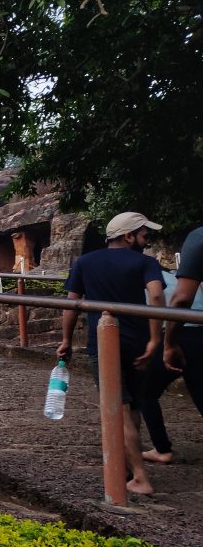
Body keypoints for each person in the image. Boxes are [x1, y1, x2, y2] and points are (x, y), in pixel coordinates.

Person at [56, 212, 165, 495]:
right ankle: (129, 467)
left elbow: (72, 304)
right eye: (144, 234)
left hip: (104, 342)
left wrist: (66, 340)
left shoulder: (85, 262)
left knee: (122, 409)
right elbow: (155, 295)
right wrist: (156, 338)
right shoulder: (146, 262)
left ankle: (139, 476)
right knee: (135, 406)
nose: (146, 239)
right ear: (128, 236)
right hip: (140, 343)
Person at [139, 226, 203, 463]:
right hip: (200, 329)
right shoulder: (167, 275)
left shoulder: (198, 238)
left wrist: (167, 343)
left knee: (147, 392)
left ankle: (162, 449)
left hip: (180, 330)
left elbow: (180, 299)